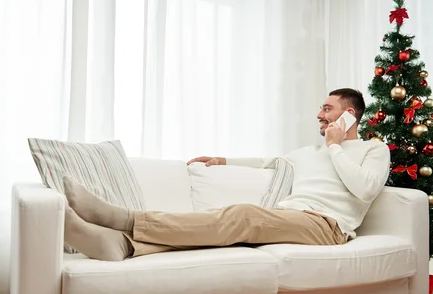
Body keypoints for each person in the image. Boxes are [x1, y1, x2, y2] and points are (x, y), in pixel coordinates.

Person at [63, 88, 391, 260]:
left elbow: (365, 189)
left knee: (242, 216)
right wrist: (222, 159)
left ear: (349, 115)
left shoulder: (373, 149)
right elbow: (268, 162)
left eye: (327, 109)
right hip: (289, 218)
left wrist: (336, 146)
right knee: (217, 233)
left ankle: (126, 220)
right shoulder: (307, 153)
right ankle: (122, 245)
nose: (319, 115)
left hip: (328, 227)